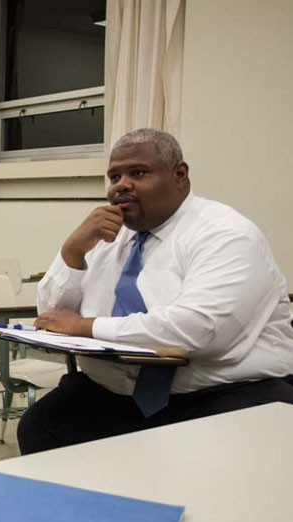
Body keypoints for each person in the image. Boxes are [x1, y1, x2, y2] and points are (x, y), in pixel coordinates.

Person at [17, 128, 293, 454]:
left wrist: (86, 327)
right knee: (42, 425)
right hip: (117, 391)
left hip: (223, 391)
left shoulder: (226, 234)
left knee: (218, 461)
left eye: (138, 172)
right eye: (114, 176)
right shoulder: (107, 237)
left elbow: (198, 331)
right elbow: (50, 316)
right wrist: (72, 253)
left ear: (179, 175)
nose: (121, 185)